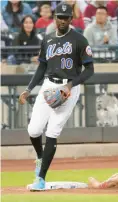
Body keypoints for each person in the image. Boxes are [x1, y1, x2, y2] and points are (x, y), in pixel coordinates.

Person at [18, 2, 94, 191]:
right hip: (49, 84)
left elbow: (90, 69)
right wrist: (29, 89)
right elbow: (42, 66)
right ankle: (40, 157)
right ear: (55, 18)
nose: (62, 20)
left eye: (66, 17)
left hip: (69, 87)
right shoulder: (48, 39)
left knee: (52, 131)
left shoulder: (79, 39)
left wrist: (71, 85)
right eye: (59, 17)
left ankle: (41, 178)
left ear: (70, 19)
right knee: (34, 130)